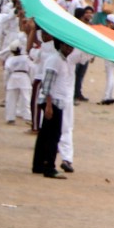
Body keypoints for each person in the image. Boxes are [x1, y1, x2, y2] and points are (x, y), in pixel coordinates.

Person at [32, 41, 73, 179]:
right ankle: (49, 167)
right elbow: (47, 83)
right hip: (53, 101)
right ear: (60, 45)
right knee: (53, 136)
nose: (69, 49)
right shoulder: (55, 60)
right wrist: (49, 105)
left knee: (45, 134)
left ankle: (38, 165)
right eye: (67, 46)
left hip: (57, 100)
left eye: (71, 47)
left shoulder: (62, 60)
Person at [98, 13, 114, 105]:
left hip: (111, 56)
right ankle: (111, 96)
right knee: (112, 75)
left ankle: (107, 96)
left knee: (110, 76)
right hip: (113, 56)